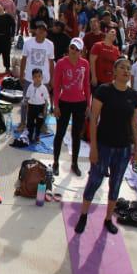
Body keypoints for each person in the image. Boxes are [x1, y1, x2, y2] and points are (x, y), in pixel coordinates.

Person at [72, 57, 137, 235]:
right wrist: (93, 148)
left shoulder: (133, 96)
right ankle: (83, 215)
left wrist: (136, 149)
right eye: (123, 68)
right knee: (94, 181)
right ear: (115, 70)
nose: (127, 71)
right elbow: (94, 120)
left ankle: (108, 219)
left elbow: (134, 124)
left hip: (124, 148)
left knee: (116, 184)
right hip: (104, 146)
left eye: (129, 68)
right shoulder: (104, 90)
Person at [52, 37, 91, 177]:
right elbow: (56, 86)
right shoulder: (61, 63)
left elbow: (86, 85)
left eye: (76, 49)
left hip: (80, 103)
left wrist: (88, 104)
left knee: (76, 135)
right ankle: (55, 162)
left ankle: (74, 163)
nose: (73, 51)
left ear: (81, 51)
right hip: (64, 102)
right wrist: (55, 105)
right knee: (60, 133)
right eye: (71, 47)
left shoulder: (85, 64)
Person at [16, 21, 55, 136]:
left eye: (43, 30)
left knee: (44, 103)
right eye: (39, 29)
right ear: (35, 30)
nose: (41, 31)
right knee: (25, 101)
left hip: (45, 80)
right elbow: (23, 59)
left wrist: (52, 79)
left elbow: (51, 63)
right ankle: (23, 122)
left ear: (46, 33)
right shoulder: (28, 43)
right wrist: (21, 75)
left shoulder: (50, 44)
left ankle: (42, 124)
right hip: (29, 78)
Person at [25, 68, 50, 141]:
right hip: (31, 107)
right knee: (30, 122)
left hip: (40, 108)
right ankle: (30, 135)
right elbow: (27, 98)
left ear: (42, 77)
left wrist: (44, 110)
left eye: (39, 76)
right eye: (35, 77)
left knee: (39, 123)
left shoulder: (44, 88)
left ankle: (37, 136)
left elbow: (46, 100)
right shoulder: (30, 87)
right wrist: (27, 108)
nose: (37, 78)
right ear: (32, 78)